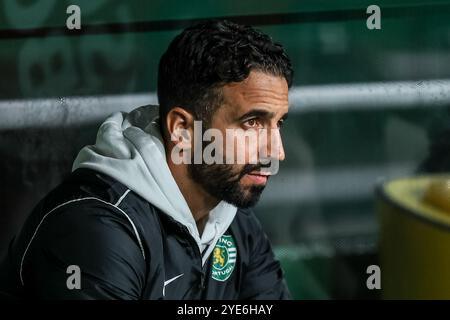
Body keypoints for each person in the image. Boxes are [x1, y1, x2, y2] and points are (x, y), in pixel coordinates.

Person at [0, 19, 293, 299]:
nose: (275, 152)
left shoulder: (233, 220)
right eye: (252, 123)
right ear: (182, 129)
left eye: (278, 123)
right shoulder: (95, 227)